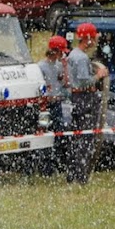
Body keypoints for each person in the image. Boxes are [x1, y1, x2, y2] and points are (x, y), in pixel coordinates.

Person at [65, 22, 109, 185]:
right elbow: (83, 83)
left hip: (75, 100)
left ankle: (71, 174)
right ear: (88, 39)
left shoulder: (72, 54)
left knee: (75, 138)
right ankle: (80, 176)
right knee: (85, 138)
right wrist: (99, 75)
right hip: (84, 99)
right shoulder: (82, 58)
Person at [37, 35, 70, 174]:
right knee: (46, 134)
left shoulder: (58, 66)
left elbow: (65, 83)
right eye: (60, 52)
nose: (62, 55)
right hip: (47, 105)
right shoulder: (41, 67)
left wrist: (65, 67)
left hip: (57, 103)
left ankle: (58, 162)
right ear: (54, 51)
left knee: (59, 133)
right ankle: (45, 165)